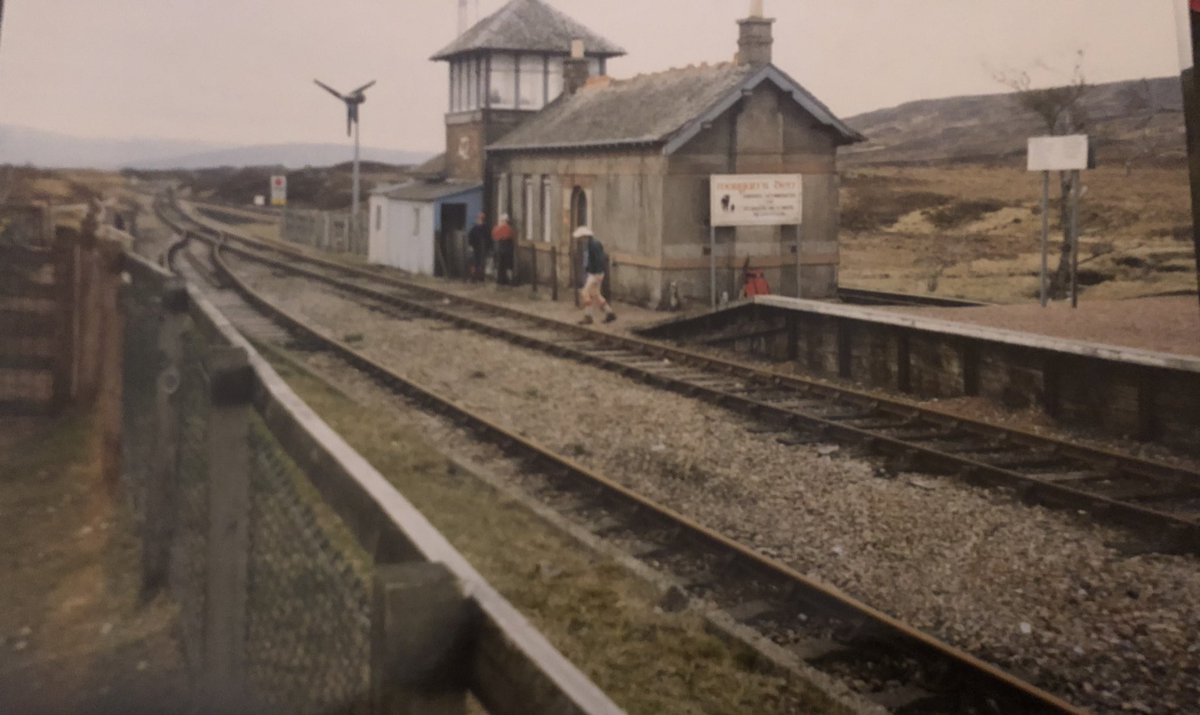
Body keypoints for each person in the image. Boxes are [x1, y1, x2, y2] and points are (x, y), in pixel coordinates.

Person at [574, 225, 616, 324]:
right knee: (596, 295)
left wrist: (595, 271)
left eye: (580, 238)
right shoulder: (590, 245)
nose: (580, 240)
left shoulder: (594, 245)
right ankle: (610, 313)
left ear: (585, 236)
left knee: (585, 293)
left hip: (595, 273)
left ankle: (588, 316)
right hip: (595, 273)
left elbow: (599, 259)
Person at [467, 212, 491, 282]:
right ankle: (474, 277)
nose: (477, 220)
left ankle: (480, 277)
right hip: (475, 248)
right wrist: (470, 245)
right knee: (474, 263)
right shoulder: (475, 228)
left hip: (482, 248)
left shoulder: (485, 228)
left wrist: (488, 248)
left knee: (480, 263)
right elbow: (470, 237)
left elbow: (488, 239)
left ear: (481, 219)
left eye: (478, 218)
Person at [492, 213, 515, 285]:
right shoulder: (510, 229)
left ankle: (499, 280)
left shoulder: (496, 229)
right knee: (509, 266)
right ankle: (510, 280)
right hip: (508, 250)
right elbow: (512, 237)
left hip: (499, 250)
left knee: (499, 266)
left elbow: (494, 236)